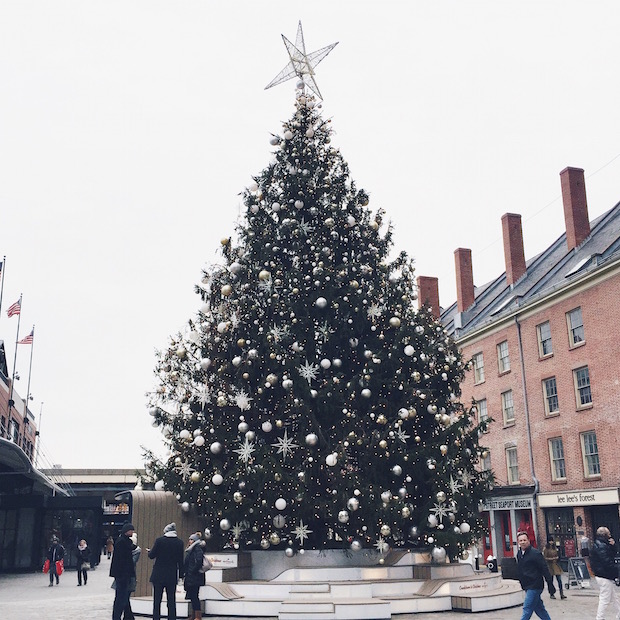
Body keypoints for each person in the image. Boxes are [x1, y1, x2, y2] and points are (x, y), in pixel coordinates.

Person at [148, 522, 185, 620]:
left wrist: (150, 551)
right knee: (171, 600)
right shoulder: (179, 543)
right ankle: (172, 618)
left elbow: (152, 555)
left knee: (157, 601)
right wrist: (181, 575)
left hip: (158, 574)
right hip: (171, 575)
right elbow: (180, 561)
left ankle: (156, 618)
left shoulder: (159, 541)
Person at [516, 530, 552, 620]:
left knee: (527, 608)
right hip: (527, 585)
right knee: (539, 609)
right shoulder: (519, 554)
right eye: (520, 541)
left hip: (535, 585)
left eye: (524, 540)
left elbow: (544, 569)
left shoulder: (535, 554)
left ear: (528, 540)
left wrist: (550, 584)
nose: (523, 542)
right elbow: (520, 569)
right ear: (518, 542)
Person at [590, 526, 620, 620]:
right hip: (604, 575)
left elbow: (613, 554)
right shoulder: (601, 546)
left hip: (603, 574)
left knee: (614, 598)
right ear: (605, 535)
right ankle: (600, 617)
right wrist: (616, 571)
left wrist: (613, 545)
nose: (610, 535)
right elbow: (607, 562)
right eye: (609, 534)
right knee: (605, 598)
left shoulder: (602, 544)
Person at [110, 523, 137, 620]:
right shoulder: (122, 542)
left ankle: (128, 617)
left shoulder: (123, 541)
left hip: (122, 574)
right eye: (131, 530)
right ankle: (117, 617)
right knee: (121, 597)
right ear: (127, 531)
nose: (132, 532)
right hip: (123, 574)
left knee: (123, 597)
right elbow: (122, 560)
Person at [183, 533, 206, 620]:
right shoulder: (192, 549)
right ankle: (194, 615)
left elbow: (198, 562)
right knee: (192, 596)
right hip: (192, 576)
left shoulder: (197, 549)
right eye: (189, 539)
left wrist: (192, 571)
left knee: (194, 596)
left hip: (195, 577)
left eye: (191, 539)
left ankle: (197, 616)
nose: (189, 541)